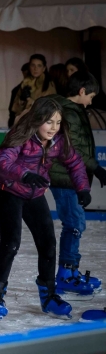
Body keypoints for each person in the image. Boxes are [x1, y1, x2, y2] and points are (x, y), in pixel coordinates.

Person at [0, 97, 90, 322]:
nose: (54, 128)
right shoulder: (21, 135)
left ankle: (49, 296)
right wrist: (24, 174)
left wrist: (82, 188)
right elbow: (1, 160)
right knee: (11, 243)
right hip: (7, 191)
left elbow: (74, 163)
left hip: (34, 193)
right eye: (49, 122)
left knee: (48, 244)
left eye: (58, 122)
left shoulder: (59, 141)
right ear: (38, 119)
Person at [48, 72, 106, 298]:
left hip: (71, 177)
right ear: (81, 91)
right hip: (65, 178)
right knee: (74, 223)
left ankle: (70, 270)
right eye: (90, 96)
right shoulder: (70, 114)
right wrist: (97, 168)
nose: (91, 101)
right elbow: (76, 149)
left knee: (76, 223)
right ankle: (65, 275)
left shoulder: (74, 111)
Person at [10, 54, 57, 119]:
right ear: (29, 67)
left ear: (44, 68)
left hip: (40, 120)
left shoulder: (48, 84)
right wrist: (22, 100)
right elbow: (15, 109)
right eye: (33, 65)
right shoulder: (25, 83)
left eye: (39, 66)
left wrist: (30, 101)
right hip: (25, 120)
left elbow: (50, 107)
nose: (35, 69)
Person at [8, 63, 31, 128]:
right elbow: (12, 110)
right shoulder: (17, 89)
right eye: (25, 74)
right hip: (21, 123)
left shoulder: (45, 86)